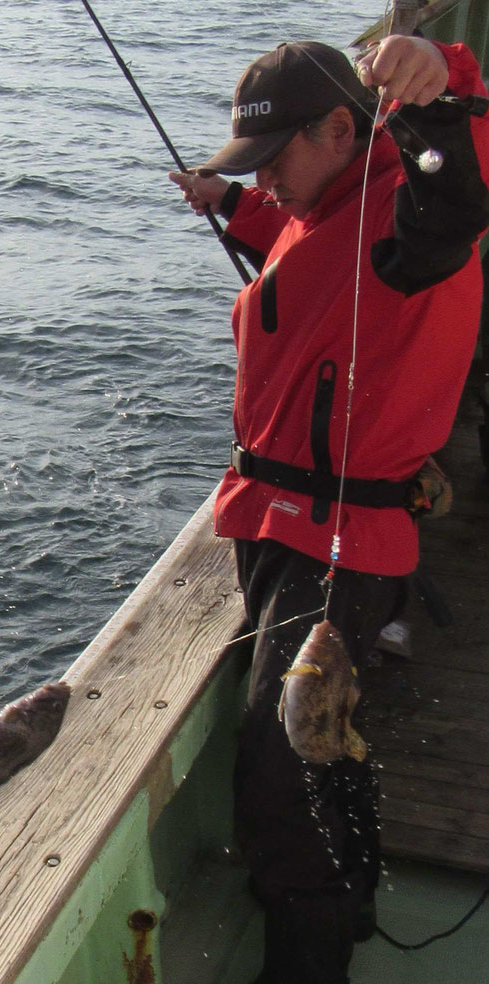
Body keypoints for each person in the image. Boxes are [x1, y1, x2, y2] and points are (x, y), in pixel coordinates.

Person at [170, 35, 489, 984]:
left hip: (339, 542)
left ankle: (306, 965)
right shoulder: (330, 206)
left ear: (342, 127)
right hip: (277, 525)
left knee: (284, 764)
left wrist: (442, 91)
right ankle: (345, 899)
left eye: (273, 161)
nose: (264, 181)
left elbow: (454, 199)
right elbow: (301, 253)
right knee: (321, 744)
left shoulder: (410, 207)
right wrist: (229, 203)